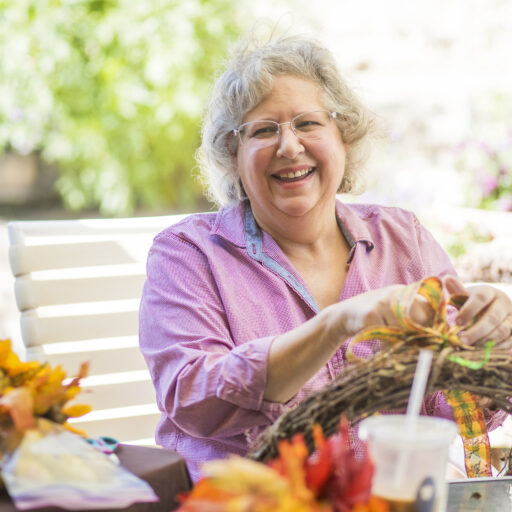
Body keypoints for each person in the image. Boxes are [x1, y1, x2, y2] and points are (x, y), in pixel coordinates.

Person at [138, 34, 512, 482]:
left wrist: (489, 344)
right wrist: (337, 324)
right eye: (262, 130)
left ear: (344, 137)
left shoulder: (402, 238)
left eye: (308, 123)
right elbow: (194, 396)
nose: (289, 146)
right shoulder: (189, 255)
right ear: (233, 156)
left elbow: (447, 403)